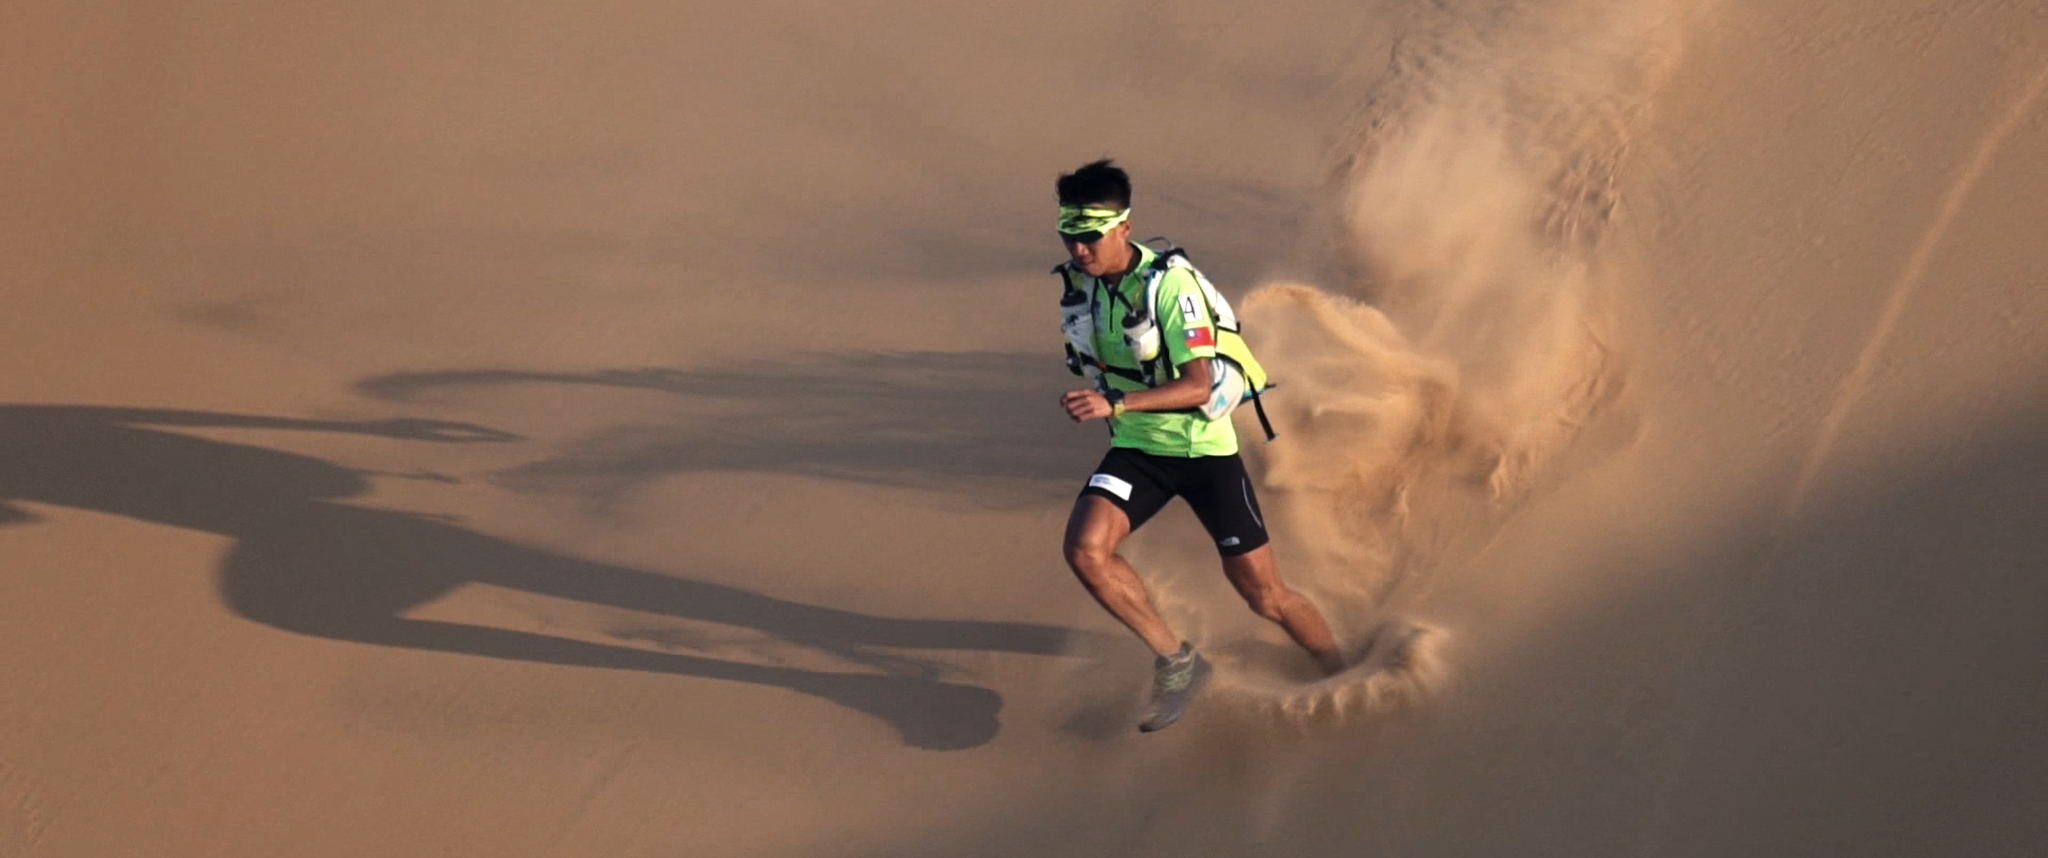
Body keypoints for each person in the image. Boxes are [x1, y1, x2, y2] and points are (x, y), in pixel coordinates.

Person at [1050, 159, 1345, 732]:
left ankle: (1339, 669)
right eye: (1070, 235)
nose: (1078, 249)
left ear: (1123, 227)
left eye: (1089, 236)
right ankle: (1178, 661)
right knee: (1086, 550)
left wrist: (1114, 405)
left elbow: (1199, 385)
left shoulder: (1171, 288)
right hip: (1138, 450)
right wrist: (1119, 412)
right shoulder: (1084, 288)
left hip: (1202, 453)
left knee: (1265, 596)